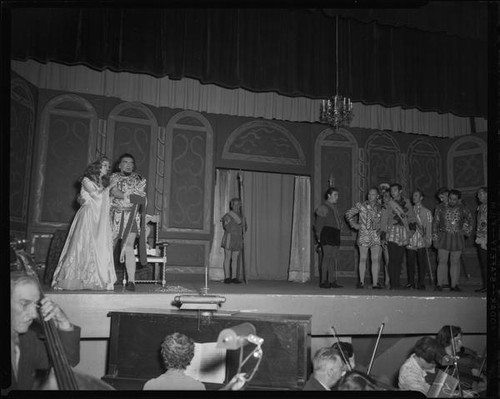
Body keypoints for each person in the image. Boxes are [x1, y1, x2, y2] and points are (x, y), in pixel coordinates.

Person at [51, 157, 117, 291]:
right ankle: (73, 277)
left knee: (98, 245)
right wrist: (109, 187)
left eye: (108, 166)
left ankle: (96, 278)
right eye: (104, 165)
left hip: (99, 218)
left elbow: (105, 200)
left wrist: (111, 195)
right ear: (97, 167)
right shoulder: (86, 180)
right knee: (82, 244)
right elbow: (96, 196)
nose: (107, 168)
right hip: (88, 216)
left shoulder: (102, 183)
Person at [10, 272, 81, 390]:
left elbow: (66, 362)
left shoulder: (26, 339)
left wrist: (63, 323)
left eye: (35, 305)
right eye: (24, 303)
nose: (34, 314)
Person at [110, 153, 147, 291]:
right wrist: (126, 196)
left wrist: (127, 196)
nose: (129, 165)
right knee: (109, 246)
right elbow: (114, 192)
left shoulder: (139, 179)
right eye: (125, 162)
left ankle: (131, 281)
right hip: (113, 216)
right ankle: (107, 278)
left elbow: (139, 197)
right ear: (119, 165)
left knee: (129, 247)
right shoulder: (112, 177)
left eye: (131, 163)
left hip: (131, 217)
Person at [432, 189, 473, 292]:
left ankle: (454, 285)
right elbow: (435, 223)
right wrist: (435, 238)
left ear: (458, 199)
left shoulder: (463, 208)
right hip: (443, 236)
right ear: (448, 197)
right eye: (450, 198)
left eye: (455, 199)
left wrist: (464, 230)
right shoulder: (440, 208)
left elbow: (469, 219)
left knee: (454, 261)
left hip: (457, 237)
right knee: (442, 260)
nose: (452, 201)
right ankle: (439, 284)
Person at [380, 183, 417, 289]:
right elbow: (383, 221)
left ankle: (397, 281)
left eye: (395, 190)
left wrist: (412, 230)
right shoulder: (387, 204)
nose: (393, 192)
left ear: (400, 191)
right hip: (391, 232)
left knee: (399, 259)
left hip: (403, 232)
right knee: (392, 259)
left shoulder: (407, 203)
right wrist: (383, 237)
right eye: (391, 190)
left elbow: (412, 218)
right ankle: (393, 283)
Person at [345, 187, 383, 289]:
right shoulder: (361, 206)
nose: (371, 196)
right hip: (364, 235)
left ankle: (375, 283)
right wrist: (353, 223)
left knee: (375, 259)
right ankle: (361, 282)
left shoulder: (382, 208)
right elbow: (348, 214)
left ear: (378, 196)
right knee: (362, 258)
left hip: (376, 235)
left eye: (373, 194)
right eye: (369, 194)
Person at [436, 325, 486, 394]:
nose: (461, 344)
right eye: (457, 340)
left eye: (460, 340)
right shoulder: (436, 357)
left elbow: (479, 379)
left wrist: (474, 391)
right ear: (446, 341)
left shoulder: (467, 357)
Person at [314, 187, 343, 289]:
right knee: (326, 257)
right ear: (329, 196)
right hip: (326, 233)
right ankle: (323, 281)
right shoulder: (323, 207)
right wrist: (319, 237)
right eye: (335, 195)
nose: (337, 197)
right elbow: (318, 225)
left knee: (332, 258)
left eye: (337, 195)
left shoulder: (334, 208)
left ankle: (331, 281)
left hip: (335, 233)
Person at [406, 189, 433, 290]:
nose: (414, 197)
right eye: (413, 195)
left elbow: (429, 227)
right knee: (410, 262)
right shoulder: (408, 210)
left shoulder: (427, 212)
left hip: (422, 238)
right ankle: (411, 282)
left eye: (416, 196)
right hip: (411, 238)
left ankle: (421, 282)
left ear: (421, 198)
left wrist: (428, 239)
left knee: (422, 262)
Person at [221, 197, 247, 284]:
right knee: (228, 258)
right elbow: (226, 227)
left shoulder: (242, 216)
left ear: (240, 205)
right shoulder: (228, 215)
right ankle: (227, 277)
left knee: (235, 258)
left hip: (238, 239)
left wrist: (243, 225)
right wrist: (236, 226)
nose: (236, 206)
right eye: (234, 204)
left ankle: (234, 277)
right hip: (229, 238)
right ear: (232, 205)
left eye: (238, 204)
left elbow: (245, 229)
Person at [474, 187, 487, 293]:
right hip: (481, 238)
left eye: (481, 194)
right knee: (484, 263)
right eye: (478, 194)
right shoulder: (480, 207)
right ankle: (486, 285)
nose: (478, 196)